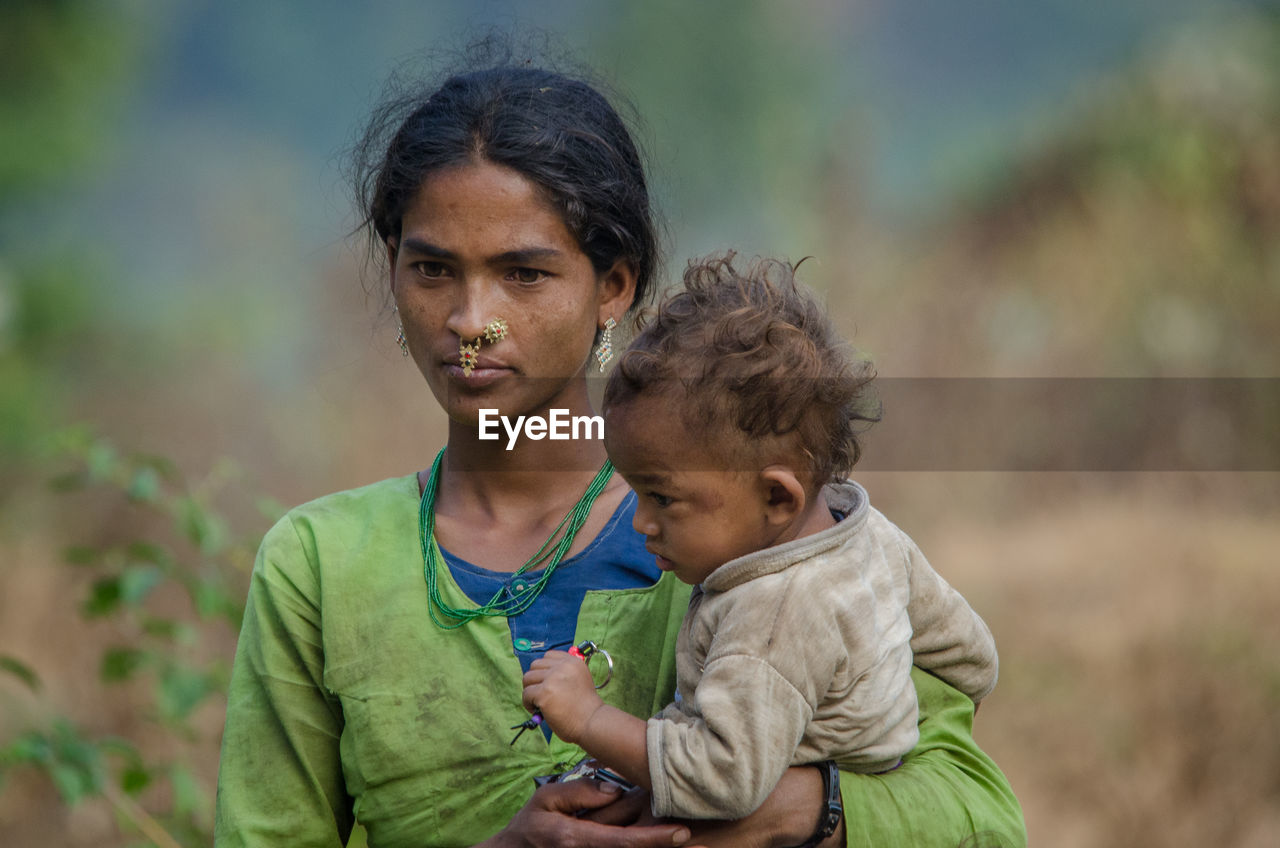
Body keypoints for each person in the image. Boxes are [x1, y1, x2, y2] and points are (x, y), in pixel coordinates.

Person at [214, 54, 1027, 848]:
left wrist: (790, 811)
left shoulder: (751, 528)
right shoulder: (318, 568)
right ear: (392, 272)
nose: (470, 321)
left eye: (523, 275)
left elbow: (981, 817)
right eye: (431, 269)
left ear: (615, 287)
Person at [520, 253, 1001, 822]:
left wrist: (588, 718)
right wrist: (873, 697)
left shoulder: (772, 616)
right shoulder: (870, 534)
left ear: (778, 498)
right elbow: (972, 658)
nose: (640, 522)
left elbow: (722, 779)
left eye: (662, 498)